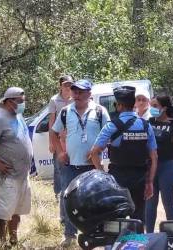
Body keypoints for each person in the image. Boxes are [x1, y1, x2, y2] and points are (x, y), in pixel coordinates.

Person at [50, 79, 110, 247]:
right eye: (74, 91)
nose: (76, 95)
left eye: (80, 92)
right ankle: (69, 235)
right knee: (69, 199)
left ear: (89, 94)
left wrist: (97, 150)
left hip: (93, 166)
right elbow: (53, 133)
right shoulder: (65, 111)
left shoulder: (100, 111)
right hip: (71, 166)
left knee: (95, 200)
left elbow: (108, 134)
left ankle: (97, 233)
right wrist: (60, 152)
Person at [90, 86, 158, 227]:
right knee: (138, 220)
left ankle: (116, 246)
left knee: (116, 220)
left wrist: (103, 175)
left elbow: (94, 152)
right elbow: (154, 157)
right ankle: (138, 245)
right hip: (140, 178)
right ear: (133, 104)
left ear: (119, 105)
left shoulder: (112, 126)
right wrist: (150, 182)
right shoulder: (146, 126)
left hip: (117, 179)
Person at [0, 87, 33, 246]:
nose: (23, 104)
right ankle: (2, 241)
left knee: (17, 209)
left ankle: (14, 238)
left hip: (22, 174)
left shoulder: (18, 115)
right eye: (20, 102)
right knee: (4, 211)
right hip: (7, 174)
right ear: (10, 101)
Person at [145, 95, 173, 233]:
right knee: (150, 205)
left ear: (164, 108)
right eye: (150, 105)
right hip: (150, 168)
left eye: (155, 106)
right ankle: (148, 238)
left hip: (167, 167)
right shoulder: (148, 122)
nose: (151, 109)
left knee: (168, 204)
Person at [48, 75, 74, 202]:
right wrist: (51, 142)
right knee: (58, 168)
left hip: (72, 139)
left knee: (73, 166)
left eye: (70, 84)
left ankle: (71, 192)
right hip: (58, 140)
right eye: (65, 84)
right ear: (60, 86)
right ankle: (58, 195)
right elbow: (51, 122)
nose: (68, 87)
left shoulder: (76, 99)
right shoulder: (54, 100)